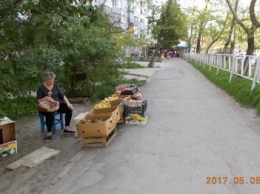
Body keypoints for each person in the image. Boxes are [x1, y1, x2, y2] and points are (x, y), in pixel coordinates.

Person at [37, 71, 75, 140]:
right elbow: (38, 100)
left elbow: (62, 95)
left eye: (52, 80)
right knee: (50, 114)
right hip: (46, 107)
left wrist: (68, 103)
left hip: (57, 105)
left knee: (69, 108)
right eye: (49, 81)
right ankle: (49, 132)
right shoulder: (41, 88)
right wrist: (44, 98)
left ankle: (67, 127)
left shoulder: (55, 85)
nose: (51, 82)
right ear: (45, 80)